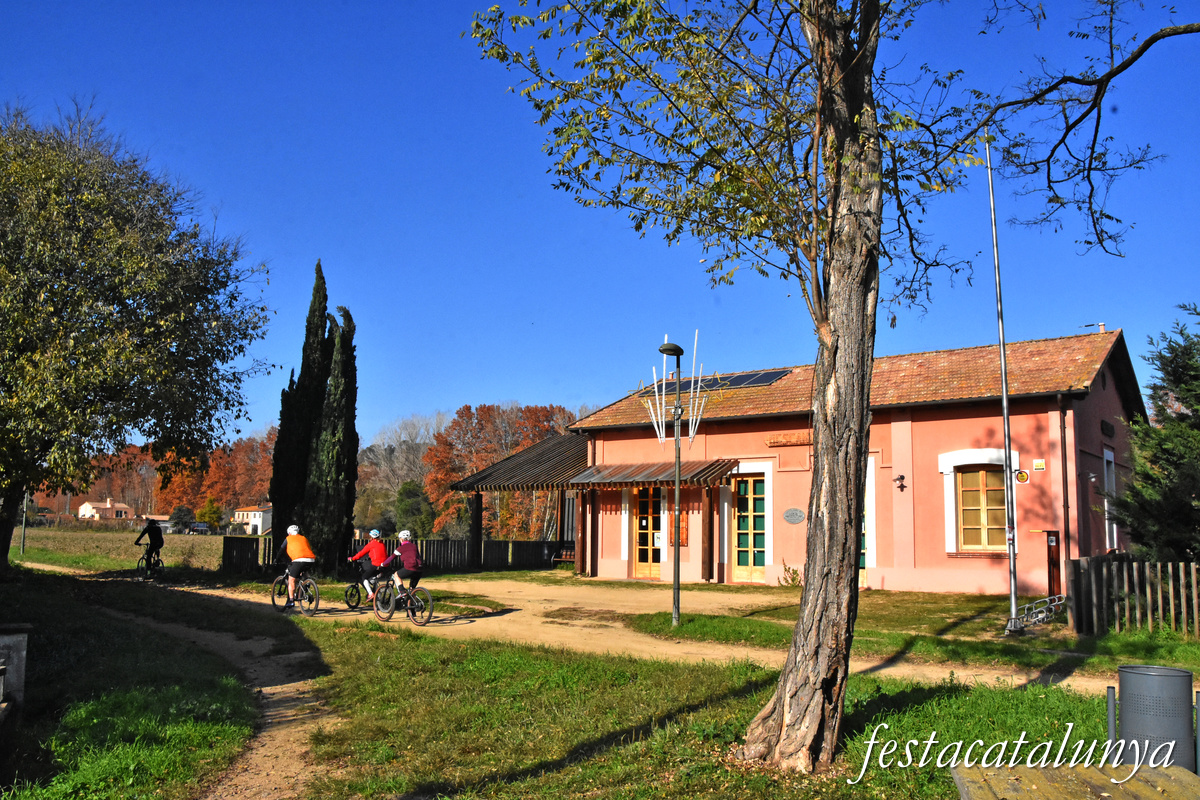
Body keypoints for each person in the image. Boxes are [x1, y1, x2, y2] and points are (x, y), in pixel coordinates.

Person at [275, 524, 316, 609]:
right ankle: (305, 584)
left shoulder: (288, 539)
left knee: (291, 579)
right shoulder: (303, 538)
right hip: (311, 560)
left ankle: (291, 601)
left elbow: (281, 550)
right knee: (301, 572)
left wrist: (277, 559)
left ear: (289, 533)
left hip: (298, 560)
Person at [347, 529, 387, 600]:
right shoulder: (382, 543)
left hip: (376, 565)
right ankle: (377, 593)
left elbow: (361, 554)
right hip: (384, 565)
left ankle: (370, 594)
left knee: (364, 577)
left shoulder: (371, 544)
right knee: (372, 576)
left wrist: (352, 558)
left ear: (371, 537)